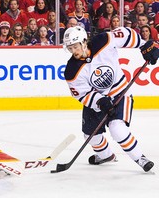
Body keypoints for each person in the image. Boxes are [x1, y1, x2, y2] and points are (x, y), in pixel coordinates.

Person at [62, 25, 158, 172]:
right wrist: (100, 101)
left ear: (83, 41)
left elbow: (126, 34)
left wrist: (143, 44)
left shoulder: (103, 41)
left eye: (75, 46)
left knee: (117, 128)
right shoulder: (71, 70)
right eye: (70, 48)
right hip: (98, 102)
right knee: (90, 136)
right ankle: (106, 156)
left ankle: (140, 158)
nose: (73, 51)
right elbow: (82, 94)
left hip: (120, 92)